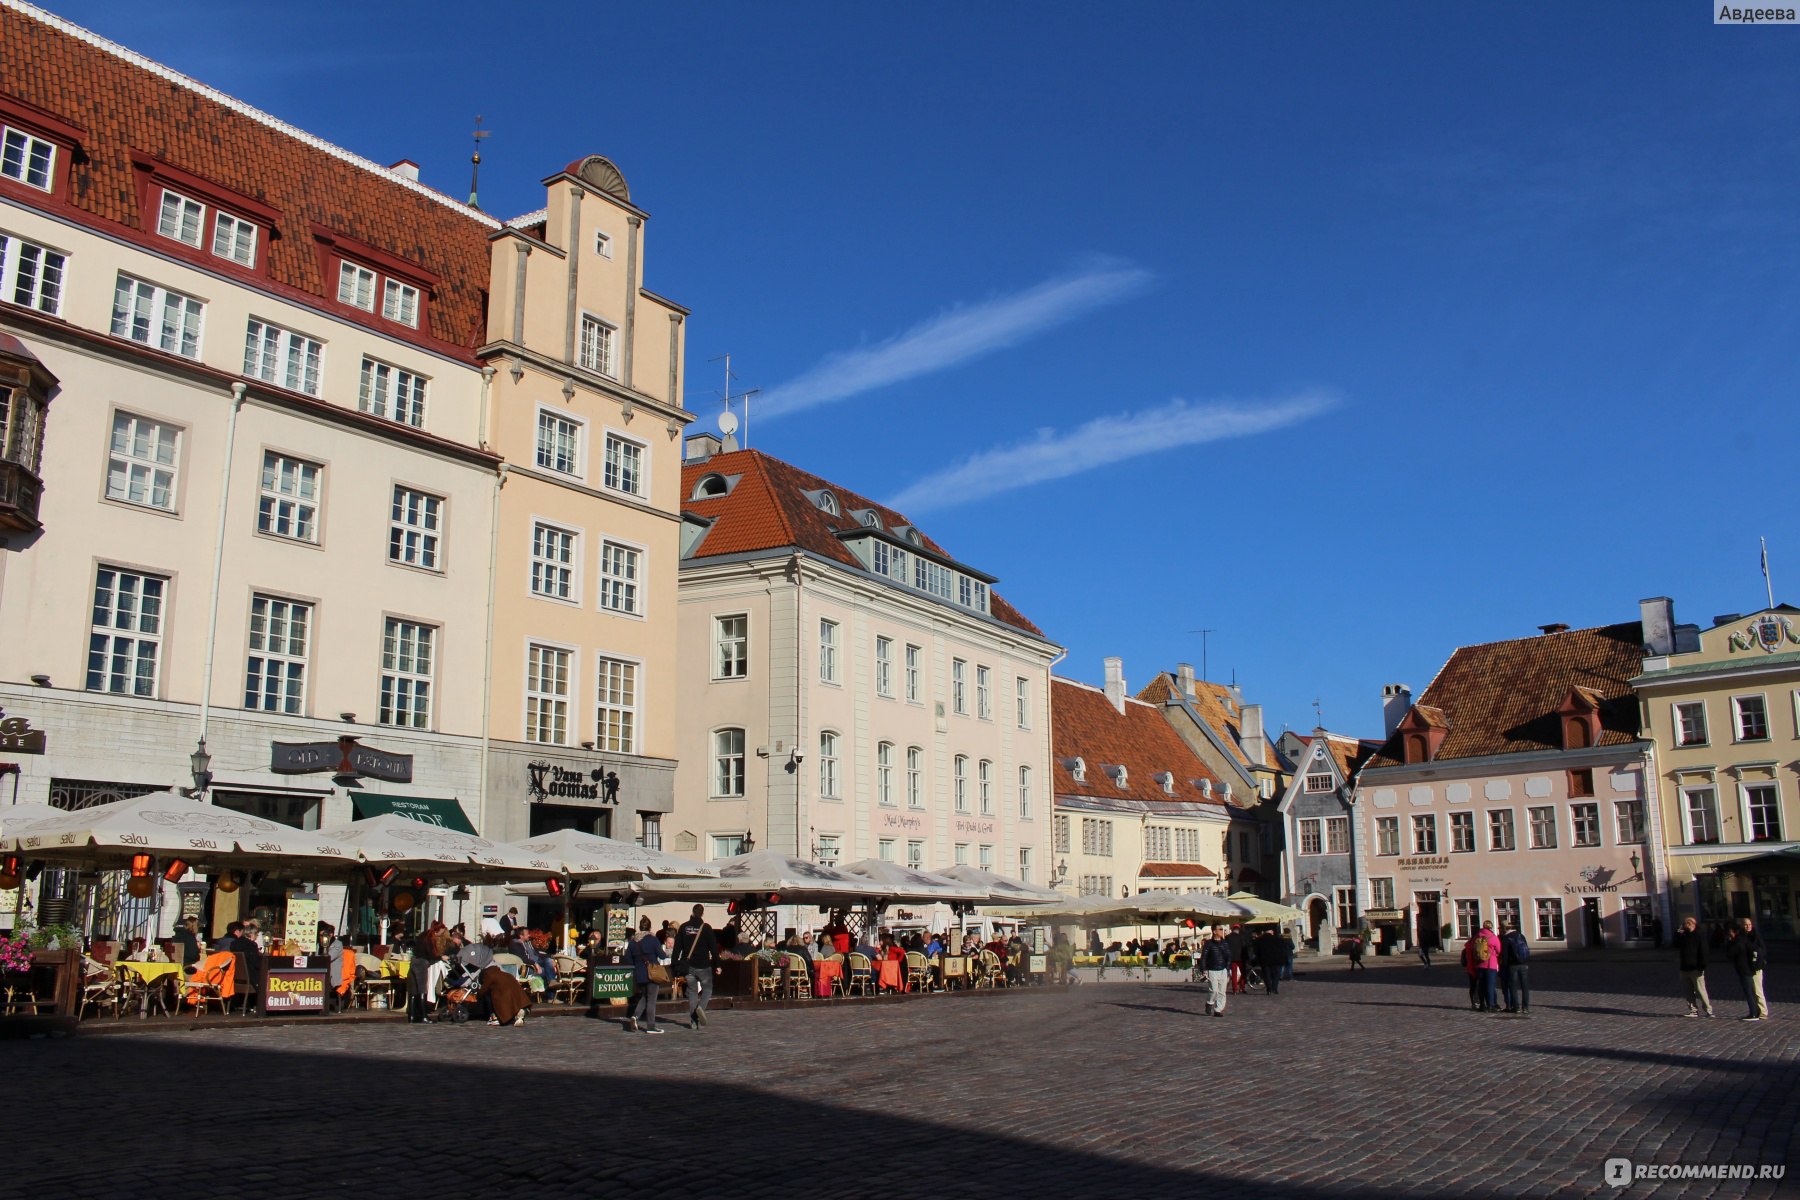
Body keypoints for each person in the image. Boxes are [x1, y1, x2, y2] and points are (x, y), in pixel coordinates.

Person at [674, 905, 718, 1030]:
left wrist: (674, 964)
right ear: (702, 914)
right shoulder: (706, 928)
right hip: (703, 965)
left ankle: (693, 1022)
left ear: (692, 912)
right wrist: (718, 964)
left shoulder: (683, 927)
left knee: (692, 992)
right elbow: (713, 948)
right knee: (707, 989)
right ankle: (701, 1008)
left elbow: (677, 948)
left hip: (688, 967)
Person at [623, 921, 669, 1033]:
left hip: (639, 974)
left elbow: (628, 959)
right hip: (652, 973)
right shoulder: (653, 939)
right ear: (649, 927)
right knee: (651, 1000)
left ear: (639, 927)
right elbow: (662, 956)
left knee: (646, 997)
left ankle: (635, 1016)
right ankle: (651, 1026)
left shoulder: (633, 942)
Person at [1727, 917, 1768, 1022]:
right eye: (1746, 924)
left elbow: (1762, 950)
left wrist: (1756, 956)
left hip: (1756, 966)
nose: (1748, 926)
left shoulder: (1755, 935)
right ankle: (1757, 1011)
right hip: (1748, 967)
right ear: (1742, 926)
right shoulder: (1741, 936)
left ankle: (1763, 1012)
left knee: (1758, 990)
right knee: (1752, 990)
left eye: (1749, 924)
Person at [1673, 915, 1713, 1018]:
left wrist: (1702, 965)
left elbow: (1704, 951)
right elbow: (1675, 944)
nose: (1683, 926)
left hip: (1696, 967)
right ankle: (1693, 1010)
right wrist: (1678, 933)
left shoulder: (1699, 935)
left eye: (1685, 924)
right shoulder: (1684, 935)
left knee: (1700, 990)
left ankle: (1708, 1010)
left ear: (1690, 924)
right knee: (1688, 991)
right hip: (1684, 967)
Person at [1499, 922, 1531, 1016]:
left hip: (1512, 965)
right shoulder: (1521, 935)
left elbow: (1504, 955)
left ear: (1505, 928)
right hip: (1524, 964)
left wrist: (1503, 966)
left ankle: (1516, 1007)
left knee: (1513, 987)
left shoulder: (1506, 938)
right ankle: (1525, 1008)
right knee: (1525, 987)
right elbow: (1526, 948)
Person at [1201, 926, 1232, 1017]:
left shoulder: (1225, 943)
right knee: (1214, 990)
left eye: (1223, 929)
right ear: (1214, 931)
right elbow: (1204, 957)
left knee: (1222, 991)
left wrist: (1227, 967)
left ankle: (1218, 1009)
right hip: (1212, 969)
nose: (1222, 931)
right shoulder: (1209, 943)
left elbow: (1229, 956)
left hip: (1223, 969)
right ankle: (1209, 1002)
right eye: (1220, 929)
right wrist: (1203, 969)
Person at [1254, 929, 1285, 995]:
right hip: (1276, 960)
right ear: (1271, 932)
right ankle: (1275, 988)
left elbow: (1256, 951)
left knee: (1266, 975)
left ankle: (1269, 989)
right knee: (1275, 975)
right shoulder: (1278, 939)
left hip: (1264, 960)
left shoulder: (1259, 939)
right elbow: (1282, 950)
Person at [1225, 925, 1246, 993]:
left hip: (1232, 958)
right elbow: (1244, 947)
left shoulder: (1228, 937)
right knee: (1243, 973)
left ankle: (1234, 990)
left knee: (1234, 974)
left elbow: (1226, 948)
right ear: (1238, 930)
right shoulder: (1241, 937)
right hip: (1241, 958)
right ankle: (1242, 988)